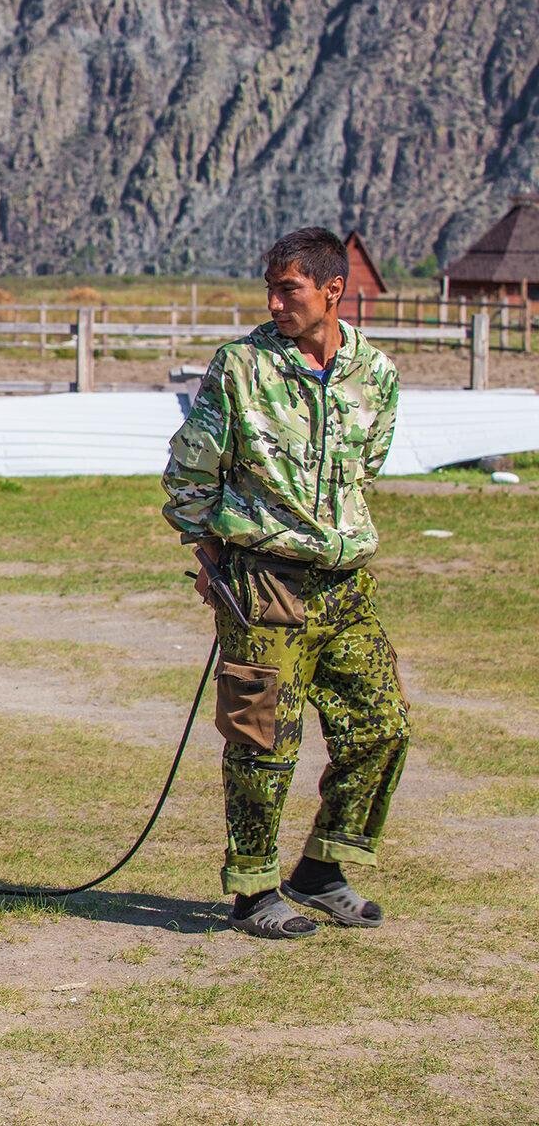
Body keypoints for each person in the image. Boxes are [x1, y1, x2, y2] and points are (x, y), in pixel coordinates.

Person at [162, 227, 408, 940]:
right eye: (270, 288)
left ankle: (323, 870)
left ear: (334, 290)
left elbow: (367, 469)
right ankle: (252, 889)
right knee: (263, 742)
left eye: (289, 290)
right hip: (263, 582)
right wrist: (213, 559)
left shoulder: (377, 374)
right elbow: (187, 477)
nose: (275, 302)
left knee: (382, 730)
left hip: (346, 584)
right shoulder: (240, 368)